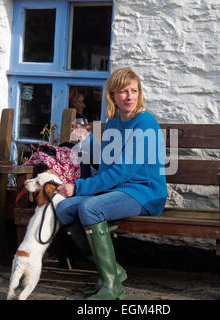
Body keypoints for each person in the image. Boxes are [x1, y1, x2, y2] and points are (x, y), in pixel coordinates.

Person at [55, 67, 167, 300]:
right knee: (65, 208)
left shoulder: (145, 122)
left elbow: (123, 171)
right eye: (123, 92)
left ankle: (111, 285)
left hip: (145, 193)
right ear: (112, 95)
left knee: (89, 208)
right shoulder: (114, 123)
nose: (129, 97)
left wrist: (79, 188)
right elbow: (107, 168)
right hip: (118, 190)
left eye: (134, 91)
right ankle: (113, 272)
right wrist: (81, 185)